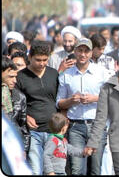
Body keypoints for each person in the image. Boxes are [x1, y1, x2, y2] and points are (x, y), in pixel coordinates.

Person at [56, 38, 109, 175]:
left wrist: (95, 98)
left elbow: (111, 98)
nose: (83, 54)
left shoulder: (101, 73)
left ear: (91, 53)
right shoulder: (66, 75)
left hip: (96, 126)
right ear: (75, 52)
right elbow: (59, 102)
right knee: (77, 169)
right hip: (75, 127)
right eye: (80, 51)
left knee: (95, 169)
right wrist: (71, 100)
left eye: (86, 51)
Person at [15, 40, 59, 175]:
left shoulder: (54, 74)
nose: (42, 63)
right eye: (38, 60)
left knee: (54, 171)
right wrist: (26, 116)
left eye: (45, 60)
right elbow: (17, 104)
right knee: (36, 170)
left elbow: (59, 100)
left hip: (54, 131)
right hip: (33, 132)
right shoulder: (21, 77)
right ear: (29, 57)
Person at [2, 56, 30, 153]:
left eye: (15, 76)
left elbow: (23, 127)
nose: (15, 81)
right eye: (10, 77)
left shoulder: (20, 97)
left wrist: (24, 150)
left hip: (14, 147)